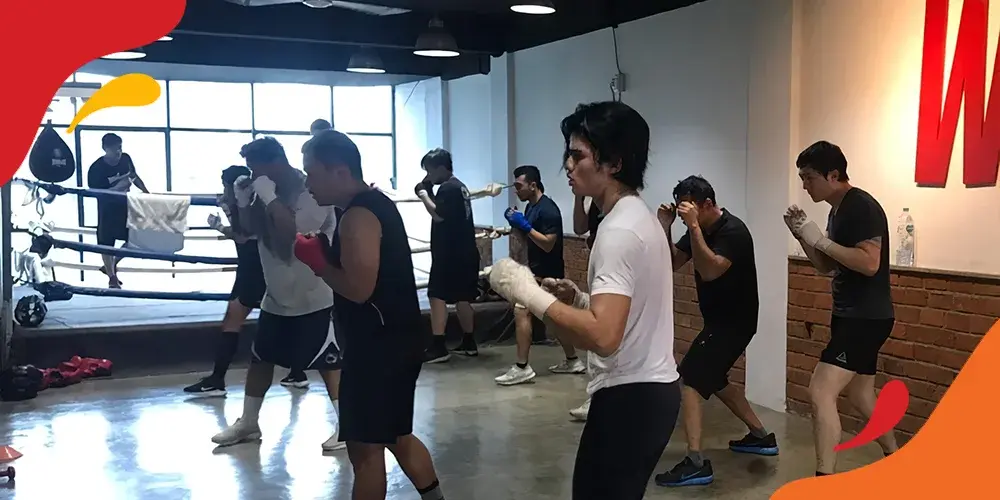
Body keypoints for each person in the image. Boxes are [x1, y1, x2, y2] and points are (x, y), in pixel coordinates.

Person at [488, 101, 680, 499]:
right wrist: (578, 300)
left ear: (614, 163)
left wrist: (526, 291)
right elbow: (629, 310)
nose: (568, 165)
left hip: (630, 396)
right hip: (647, 392)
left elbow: (604, 336)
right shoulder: (635, 216)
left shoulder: (619, 231)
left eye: (578, 155)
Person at [295, 129, 445, 500]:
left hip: (378, 348)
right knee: (396, 436)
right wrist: (328, 255)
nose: (307, 183)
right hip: (395, 340)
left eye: (312, 173)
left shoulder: (358, 215)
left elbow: (359, 289)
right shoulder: (372, 204)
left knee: (365, 451)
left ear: (340, 171)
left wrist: (319, 264)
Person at [210, 137, 345, 452]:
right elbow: (246, 233)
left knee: (329, 363)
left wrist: (268, 197)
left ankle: (347, 425)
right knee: (261, 359)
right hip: (276, 295)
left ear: (274, 162)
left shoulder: (310, 191)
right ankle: (248, 422)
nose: (254, 175)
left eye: (256, 168)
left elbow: (293, 237)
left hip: (314, 295)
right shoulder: (262, 189)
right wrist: (242, 202)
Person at [652, 175, 776, 487]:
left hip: (734, 323)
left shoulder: (733, 231)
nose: (686, 216)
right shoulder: (698, 229)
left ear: (707, 204)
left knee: (691, 379)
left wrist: (694, 227)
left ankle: (696, 462)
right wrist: (666, 226)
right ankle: (761, 436)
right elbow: (672, 263)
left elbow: (709, 271)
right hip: (718, 322)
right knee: (715, 379)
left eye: (690, 209)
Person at [784, 140, 898, 476]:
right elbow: (827, 265)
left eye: (809, 177)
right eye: (802, 178)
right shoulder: (837, 210)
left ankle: (824, 479)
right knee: (861, 396)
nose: (805, 185)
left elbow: (870, 263)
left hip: (865, 318)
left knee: (821, 391)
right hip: (852, 314)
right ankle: (896, 457)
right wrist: (804, 236)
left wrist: (821, 240)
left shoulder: (861, 207)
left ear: (833, 175)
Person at [182, 165, 308, 395]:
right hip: (254, 267)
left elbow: (243, 236)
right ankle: (297, 372)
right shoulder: (251, 202)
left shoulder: (252, 203)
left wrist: (223, 222)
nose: (223, 191)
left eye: (225, 186)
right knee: (279, 318)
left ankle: (218, 379)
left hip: (256, 268)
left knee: (235, 319)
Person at [495, 165, 582, 386]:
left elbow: (548, 244)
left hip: (549, 274)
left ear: (533, 185)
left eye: (519, 186)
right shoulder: (530, 207)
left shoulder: (548, 210)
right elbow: (528, 239)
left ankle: (522, 367)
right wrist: (515, 227)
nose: (516, 190)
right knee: (553, 320)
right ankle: (573, 360)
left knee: (522, 311)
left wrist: (525, 227)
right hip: (536, 271)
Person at [415, 148, 480, 363]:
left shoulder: (448, 188)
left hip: (449, 254)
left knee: (436, 295)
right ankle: (469, 341)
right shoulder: (459, 187)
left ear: (442, 168)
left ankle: (438, 345)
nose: (429, 176)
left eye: (431, 171)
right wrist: (429, 189)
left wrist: (423, 194)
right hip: (465, 251)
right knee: (462, 297)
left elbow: (438, 215)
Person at [86, 133, 148, 288]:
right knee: (106, 243)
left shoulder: (126, 159)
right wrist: (118, 188)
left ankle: (112, 264)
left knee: (135, 237)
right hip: (107, 209)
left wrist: (147, 192)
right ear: (105, 149)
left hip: (125, 205)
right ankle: (112, 277)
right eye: (114, 149)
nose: (118, 152)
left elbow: (134, 176)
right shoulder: (96, 169)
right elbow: (95, 192)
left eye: (120, 147)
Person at [566, 192, 605, 421]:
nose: (571, 175)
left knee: (602, 331)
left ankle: (600, 396)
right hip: (598, 260)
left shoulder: (620, 205)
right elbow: (580, 228)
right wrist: (579, 197)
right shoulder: (592, 201)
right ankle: (598, 395)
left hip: (611, 264)